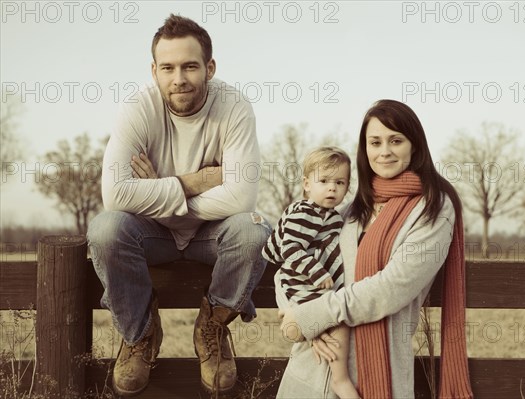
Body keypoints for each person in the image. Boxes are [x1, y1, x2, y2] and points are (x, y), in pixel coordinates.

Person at [86, 14, 270, 397]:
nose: (179, 78)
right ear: (154, 70)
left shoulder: (234, 107)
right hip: (153, 236)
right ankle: (140, 335)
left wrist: (156, 192)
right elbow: (115, 196)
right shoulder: (138, 108)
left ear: (210, 67)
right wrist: (194, 182)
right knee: (106, 229)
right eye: (167, 67)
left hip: (210, 235)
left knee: (253, 230)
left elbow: (241, 198)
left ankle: (213, 324)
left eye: (190, 66)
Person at [277, 100, 473, 398]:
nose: (384, 151)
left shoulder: (433, 207)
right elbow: (286, 268)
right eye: (375, 142)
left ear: (415, 146)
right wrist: (301, 317)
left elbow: (392, 288)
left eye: (396, 140)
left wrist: (314, 316)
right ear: (364, 149)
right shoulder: (351, 211)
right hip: (312, 364)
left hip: (377, 373)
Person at [262, 146, 361, 398]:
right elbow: (290, 250)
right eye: (324, 181)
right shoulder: (304, 212)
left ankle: (314, 335)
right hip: (302, 282)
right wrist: (318, 273)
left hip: (310, 284)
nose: (332, 188)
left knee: (334, 323)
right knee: (338, 323)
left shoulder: (330, 215)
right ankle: (340, 381)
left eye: (340, 182)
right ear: (307, 184)